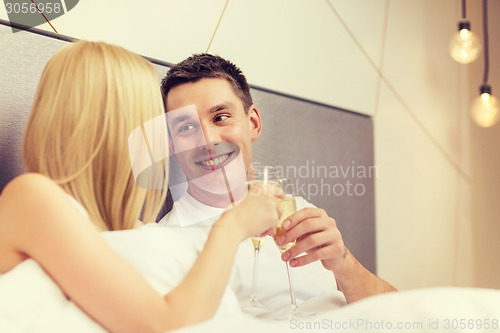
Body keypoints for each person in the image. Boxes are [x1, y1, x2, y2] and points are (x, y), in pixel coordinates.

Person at [0, 41, 282, 332]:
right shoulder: (32, 197)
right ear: (116, 127)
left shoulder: (127, 231)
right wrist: (233, 226)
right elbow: (163, 325)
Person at [159, 53, 397, 308]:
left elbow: (399, 313)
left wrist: (343, 263)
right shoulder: (166, 243)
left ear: (253, 123)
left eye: (220, 117)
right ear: (172, 145)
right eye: (186, 127)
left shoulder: (298, 211)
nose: (207, 141)